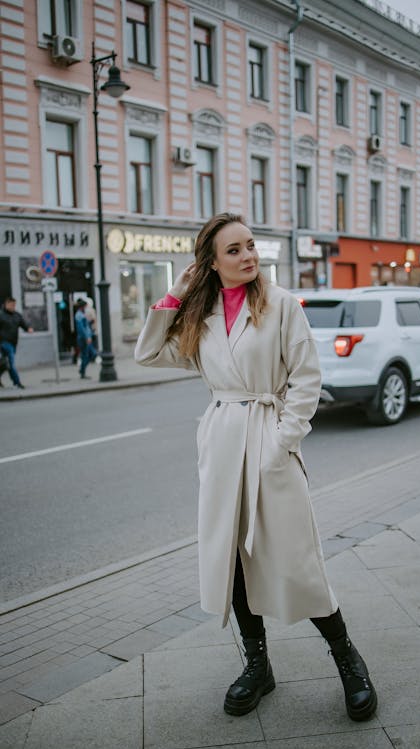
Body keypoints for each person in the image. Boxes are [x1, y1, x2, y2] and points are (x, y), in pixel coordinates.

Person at [135, 213, 377, 721]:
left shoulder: (282, 304)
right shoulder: (199, 316)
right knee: (234, 562)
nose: (248, 257)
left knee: (297, 559)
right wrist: (176, 294)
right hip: (223, 445)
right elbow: (148, 353)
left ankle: (348, 660)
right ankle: (258, 666)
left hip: (269, 440)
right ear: (211, 262)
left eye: (250, 246)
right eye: (234, 250)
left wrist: (281, 445)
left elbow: (307, 379)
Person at [0, 297, 33, 389]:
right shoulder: (1, 315)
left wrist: (28, 328)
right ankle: (17, 382)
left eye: (14, 305)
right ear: (6, 304)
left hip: (13, 343)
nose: (13, 306)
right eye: (11, 305)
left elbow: (23, 324)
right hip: (3, 343)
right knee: (10, 363)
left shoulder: (16, 315)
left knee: (4, 364)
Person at [74, 299, 94, 379]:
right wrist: (87, 337)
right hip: (83, 339)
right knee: (88, 355)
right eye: (85, 307)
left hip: (85, 338)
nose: (86, 308)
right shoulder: (79, 315)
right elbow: (81, 328)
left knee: (87, 355)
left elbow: (85, 326)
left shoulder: (81, 314)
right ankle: (82, 371)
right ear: (82, 307)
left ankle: (82, 370)